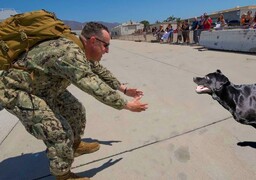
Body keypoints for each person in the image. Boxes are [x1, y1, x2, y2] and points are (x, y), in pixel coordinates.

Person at [0, 22, 148, 180]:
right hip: (17, 91)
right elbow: (90, 83)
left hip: (43, 87)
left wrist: (123, 89)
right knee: (58, 132)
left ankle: (74, 146)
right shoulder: (69, 52)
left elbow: (97, 69)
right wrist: (126, 105)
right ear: (93, 41)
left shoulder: (79, 48)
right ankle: (63, 176)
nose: (107, 51)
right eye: (106, 46)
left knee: (75, 110)